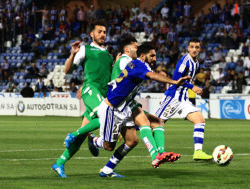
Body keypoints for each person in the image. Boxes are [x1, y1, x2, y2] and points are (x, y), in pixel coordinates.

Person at [91, 44, 190, 177]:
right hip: (111, 109)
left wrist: (159, 74)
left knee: (132, 141)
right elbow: (152, 76)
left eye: (155, 55)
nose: (155, 58)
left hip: (124, 107)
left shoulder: (138, 65)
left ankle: (107, 170)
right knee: (109, 146)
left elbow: (150, 74)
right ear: (143, 56)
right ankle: (94, 140)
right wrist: (174, 81)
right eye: (152, 55)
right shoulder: (138, 65)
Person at [51, 22, 113, 178]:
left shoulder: (108, 54)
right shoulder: (86, 49)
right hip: (91, 90)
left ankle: (59, 163)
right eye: (99, 31)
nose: (103, 34)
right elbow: (67, 70)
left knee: (81, 137)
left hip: (102, 95)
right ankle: (73, 134)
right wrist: (72, 54)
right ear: (92, 34)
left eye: (104, 32)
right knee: (107, 116)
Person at [155, 38, 212, 161]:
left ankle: (198, 152)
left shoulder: (196, 63)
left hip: (183, 99)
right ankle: (128, 128)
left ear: (200, 49)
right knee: (154, 124)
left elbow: (187, 80)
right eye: (192, 47)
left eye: (197, 47)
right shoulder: (184, 61)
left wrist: (195, 87)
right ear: (188, 48)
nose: (194, 49)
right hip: (173, 98)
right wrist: (192, 87)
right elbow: (176, 78)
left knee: (200, 120)